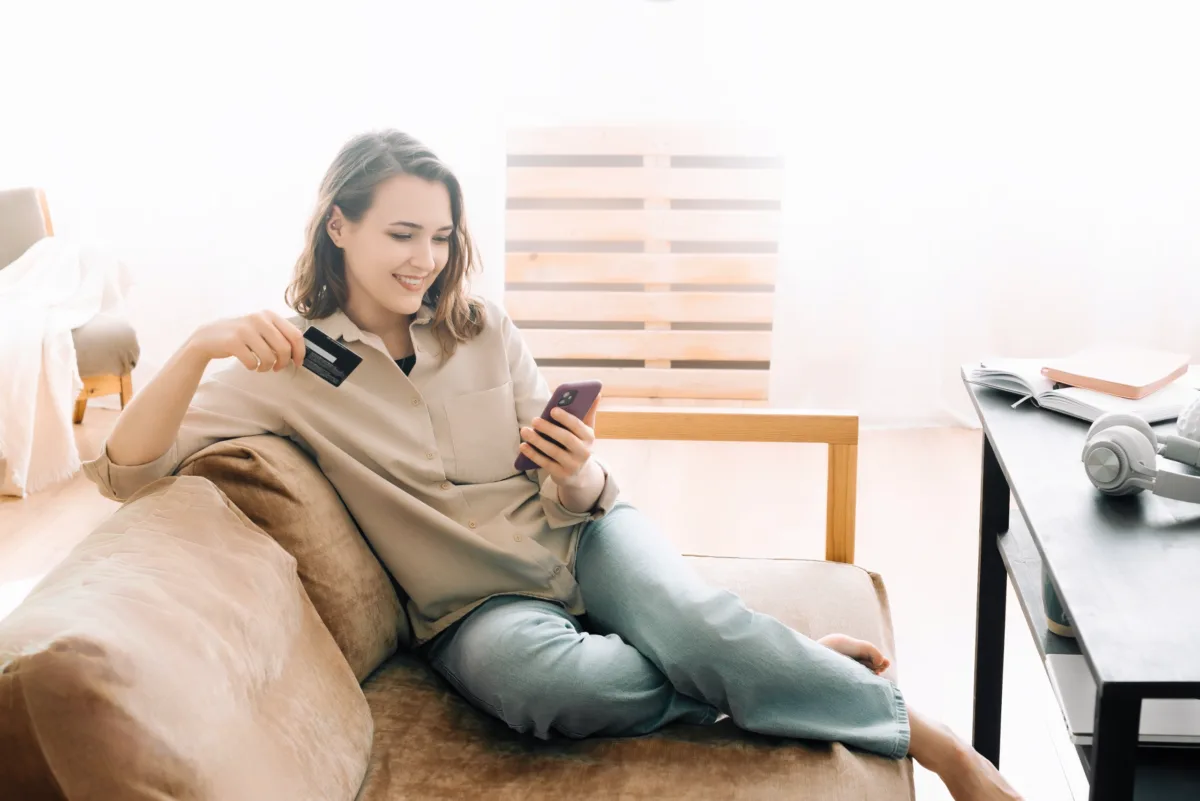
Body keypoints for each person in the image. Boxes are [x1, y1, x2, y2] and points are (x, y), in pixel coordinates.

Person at [84, 130, 1021, 801]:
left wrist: (578, 473)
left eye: (441, 236)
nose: (426, 258)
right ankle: (771, 665)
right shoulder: (289, 367)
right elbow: (124, 471)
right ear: (339, 226)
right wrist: (200, 344)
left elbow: (575, 484)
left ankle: (936, 742)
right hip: (473, 608)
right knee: (555, 692)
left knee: (692, 621)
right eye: (402, 234)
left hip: (585, 536)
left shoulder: (482, 329)